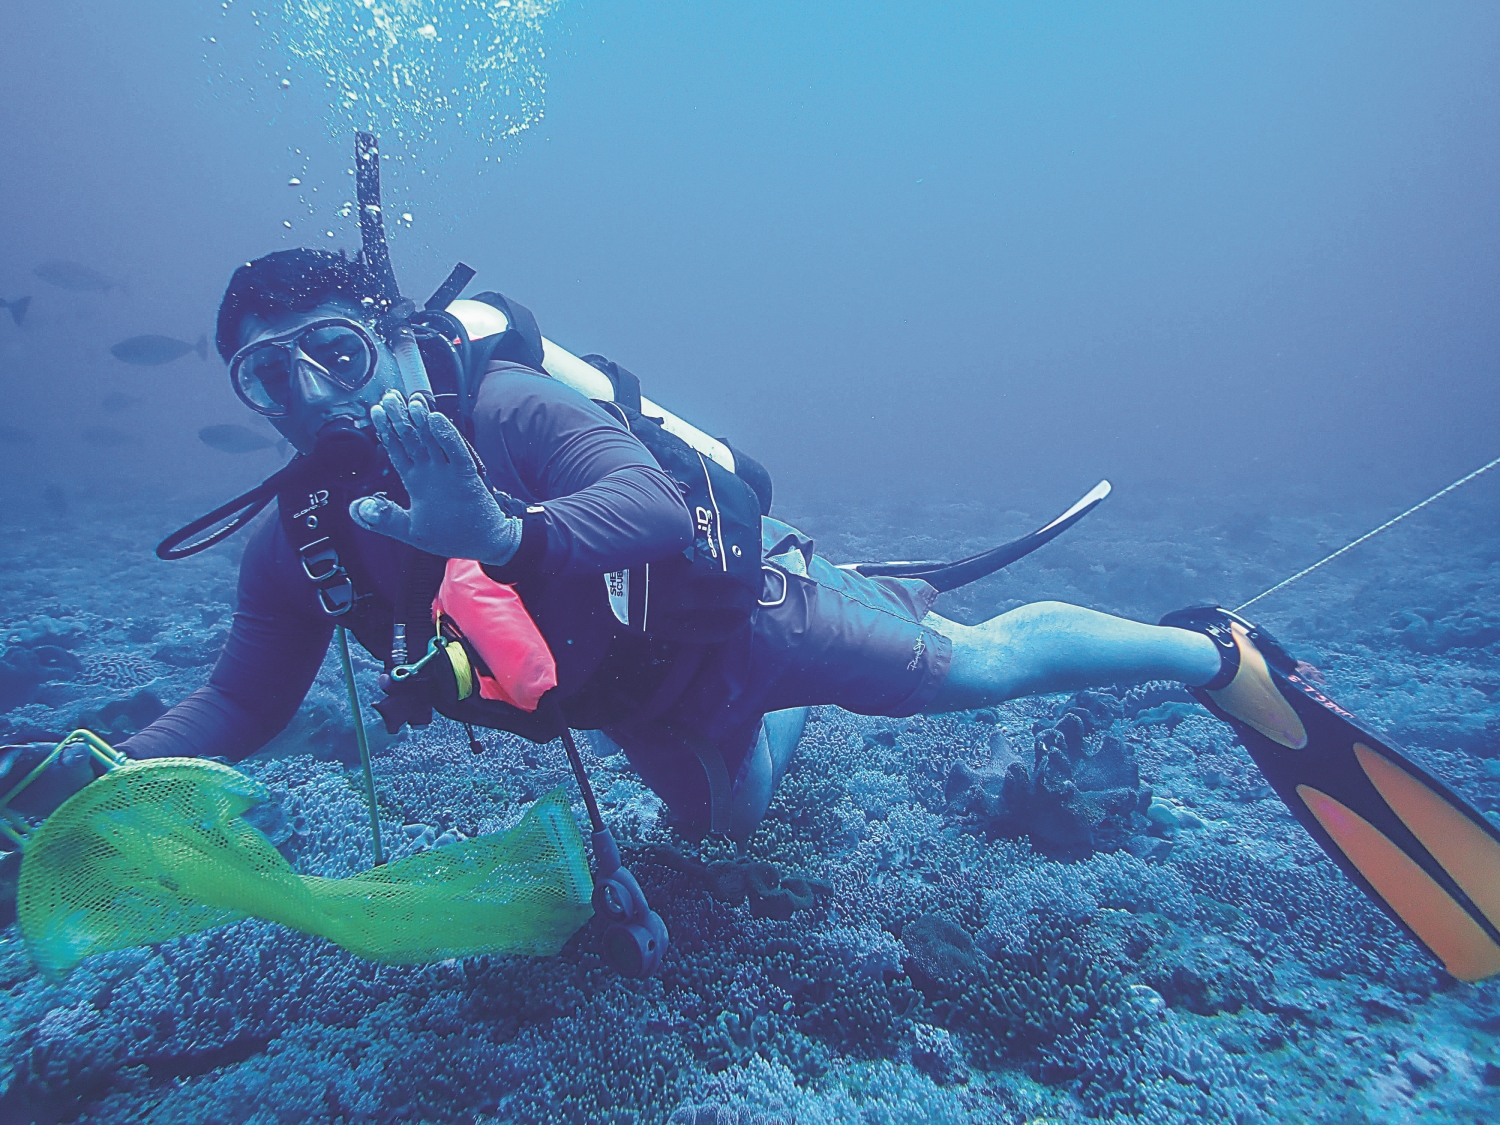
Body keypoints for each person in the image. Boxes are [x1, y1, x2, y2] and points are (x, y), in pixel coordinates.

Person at [6, 243, 1499, 985]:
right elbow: (239, 708)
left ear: (389, 335)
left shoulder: (508, 405)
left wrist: (503, 530)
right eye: (268, 380)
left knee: (965, 670)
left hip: (745, 607)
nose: (311, 396)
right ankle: (816, 674)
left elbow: (646, 509)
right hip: (641, 698)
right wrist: (102, 764)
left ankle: (1213, 650)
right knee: (728, 828)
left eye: (329, 350)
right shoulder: (300, 544)